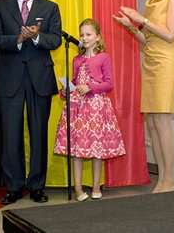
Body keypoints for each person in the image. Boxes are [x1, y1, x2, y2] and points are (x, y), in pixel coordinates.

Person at [0, 0, 62, 204]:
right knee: (11, 135)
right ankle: (14, 187)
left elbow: (56, 40)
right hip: (9, 78)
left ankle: (37, 186)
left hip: (40, 77)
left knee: (39, 133)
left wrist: (38, 37)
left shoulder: (50, 8)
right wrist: (18, 38)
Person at [113, 0, 174, 193]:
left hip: (167, 60)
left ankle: (171, 179)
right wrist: (131, 27)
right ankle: (162, 178)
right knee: (152, 122)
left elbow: (169, 34)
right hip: (152, 58)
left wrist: (140, 19)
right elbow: (149, 40)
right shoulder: (151, 0)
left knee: (162, 120)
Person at [54, 18, 126, 201]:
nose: (84, 38)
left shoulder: (104, 57)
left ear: (97, 37)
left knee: (97, 149)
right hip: (78, 108)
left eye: (88, 34)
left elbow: (109, 83)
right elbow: (76, 82)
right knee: (77, 149)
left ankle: (95, 185)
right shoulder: (76, 59)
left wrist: (91, 88)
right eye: (82, 34)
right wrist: (65, 91)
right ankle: (78, 187)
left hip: (96, 108)